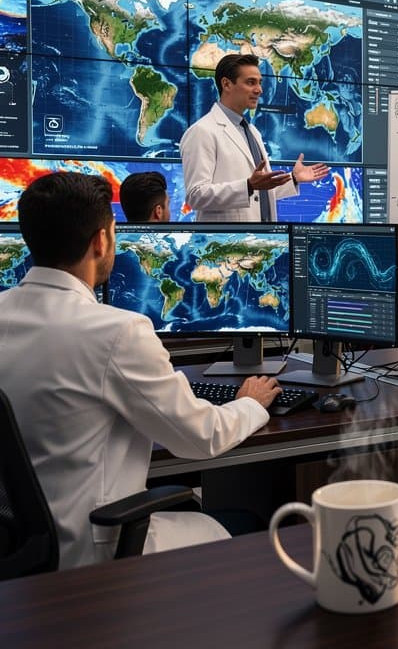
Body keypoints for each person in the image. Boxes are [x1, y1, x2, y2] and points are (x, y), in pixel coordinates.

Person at [0, 172, 282, 569]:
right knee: (249, 522)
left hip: (23, 557)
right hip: (99, 555)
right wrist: (250, 403)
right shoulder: (116, 332)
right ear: (101, 241)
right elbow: (201, 437)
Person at [181, 53, 328, 222]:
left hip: (263, 235)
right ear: (226, 84)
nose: (259, 90)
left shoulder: (252, 132)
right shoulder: (202, 131)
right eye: (251, 82)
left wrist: (293, 178)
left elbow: (260, 195)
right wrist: (248, 185)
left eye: (259, 82)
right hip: (228, 236)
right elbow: (196, 196)